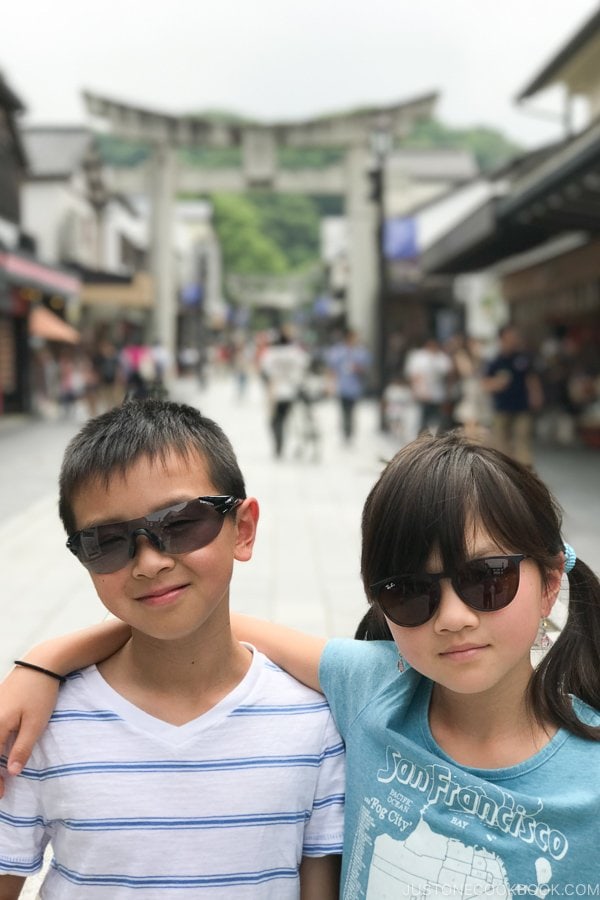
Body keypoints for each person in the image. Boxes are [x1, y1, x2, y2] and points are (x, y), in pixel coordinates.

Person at [3, 433, 599, 895]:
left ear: (550, 584)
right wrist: (46, 662)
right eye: (409, 593)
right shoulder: (374, 685)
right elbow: (194, 618)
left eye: (486, 581)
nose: (452, 618)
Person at [0, 400, 344, 899]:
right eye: (108, 541)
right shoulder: (39, 728)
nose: (150, 562)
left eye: (181, 523)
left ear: (242, 530)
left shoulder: (313, 723)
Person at [483, 323, 544, 467]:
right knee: (501, 443)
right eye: (510, 336)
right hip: (502, 407)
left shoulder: (523, 358)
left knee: (522, 440)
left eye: (515, 336)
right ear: (502, 338)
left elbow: (531, 378)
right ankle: (504, 471)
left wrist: (536, 395)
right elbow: (485, 383)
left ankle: (525, 472)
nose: (514, 339)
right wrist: (497, 383)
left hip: (522, 406)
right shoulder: (495, 361)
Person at [259, 327, 309, 459]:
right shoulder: (296, 352)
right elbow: (304, 365)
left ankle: (278, 444)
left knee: (275, 421)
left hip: (275, 392)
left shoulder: (271, 353)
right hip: (291, 392)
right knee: (284, 419)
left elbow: (265, 370)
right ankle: (281, 442)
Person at [325, 328, 371, 444]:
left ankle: (350, 431)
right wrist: (330, 384)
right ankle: (346, 431)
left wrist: (358, 369)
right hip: (343, 386)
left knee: (352, 410)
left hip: (355, 387)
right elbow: (332, 368)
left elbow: (366, 367)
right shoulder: (338, 351)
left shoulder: (361, 351)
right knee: (344, 410)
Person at [404, 336, 453, 435]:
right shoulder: (418, 357)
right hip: (422, 395)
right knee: (422, 422)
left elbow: (448, 373)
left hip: (438, 395)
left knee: (437, 422)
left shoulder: (441, 357)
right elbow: (414, 376)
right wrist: (419, 390)